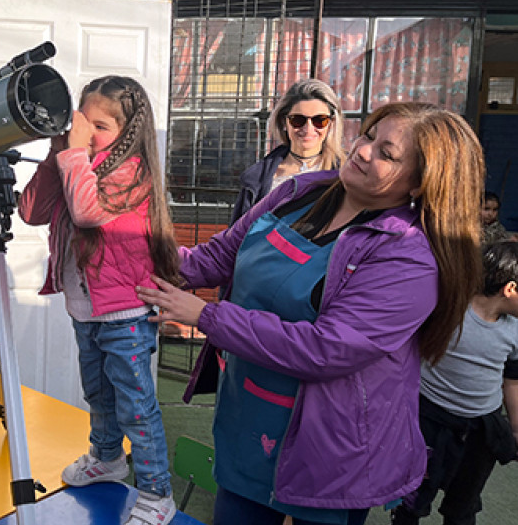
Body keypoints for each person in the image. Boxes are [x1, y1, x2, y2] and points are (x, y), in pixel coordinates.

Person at [136, 102, 485, 525]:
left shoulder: (408, 257)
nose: (362, 150)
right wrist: (133, 249)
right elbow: (219, 256)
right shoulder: (299, 194)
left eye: (387, 154)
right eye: (369, 135)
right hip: (249, 413)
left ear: (420, 184)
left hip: (333, 446)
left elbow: (327, 349)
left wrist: (208, 317)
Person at [18, 75, 180, 525]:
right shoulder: (72, 160)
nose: (88, 134)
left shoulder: (131, 172)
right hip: (86, 308)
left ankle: (156, 493)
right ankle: (107, 457)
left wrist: (73, 152)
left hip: (125, 311)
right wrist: (57, 152)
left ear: (126, 133)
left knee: (135, 403)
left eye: (100, 127)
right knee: (98, 393)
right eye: (82, 123)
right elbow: (31, 210)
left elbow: (89, 213)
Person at [390, 241, 518, 525]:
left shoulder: (515, 330)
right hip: (428, 420)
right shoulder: (447, 310)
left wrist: (516, 429)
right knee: (413, 496)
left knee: (464, 505)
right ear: (509, 289)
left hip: (479, 429)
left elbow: (512, 381)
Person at [230, 79, 346, 224]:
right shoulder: (258, 178)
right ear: (284, 122)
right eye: (298, 120)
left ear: (331, 124)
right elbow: (235, 236)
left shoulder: (346, 173)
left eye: (319, 120)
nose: (308, 128)